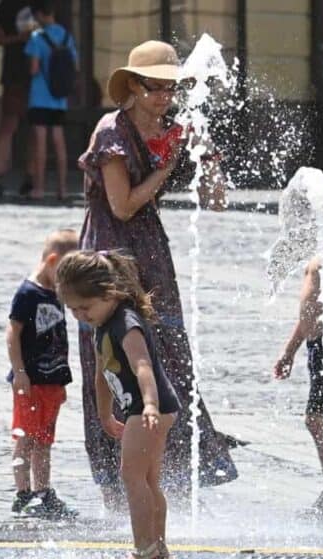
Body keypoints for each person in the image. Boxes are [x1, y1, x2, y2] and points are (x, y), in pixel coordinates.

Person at [77, 40, 236, 510]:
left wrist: (209, 163)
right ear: (132, 86)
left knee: (170, 358)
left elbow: (216, 203)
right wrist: (166, 168)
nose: (164, 96)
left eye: (171, 87)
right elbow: (122, 205)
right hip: (110, 257)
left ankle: (174, 481)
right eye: (154, 87)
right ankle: (116, 491)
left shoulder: (174, 129)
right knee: (110, 364)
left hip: (152, 255)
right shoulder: (113, 131)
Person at [57, 250, 179, 559]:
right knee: (149, 481)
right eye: (73, 310)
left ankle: (144, 553)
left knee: (132, 477)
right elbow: (101, 372)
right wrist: (104, 413)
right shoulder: (103, 322)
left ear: (109, 293)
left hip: (149, 407)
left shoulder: (126, 323)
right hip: (146, 409)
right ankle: (158, 549)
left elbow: (143, 366)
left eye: (85, 307)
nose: (81, 315)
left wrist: (150, 405)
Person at [273, 175, 323, 514]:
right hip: (317, 342)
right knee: (319, 416)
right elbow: (309, 311)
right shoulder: (318, 251)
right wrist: (290, 350)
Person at [6, 228, 78, 518]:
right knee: (27, 439)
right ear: (51, 261)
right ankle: (23, 494)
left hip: (52, 380)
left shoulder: (56, 290)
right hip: (31, 380)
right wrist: (19, 372)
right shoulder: (28, 293)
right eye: (65, 271)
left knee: (45, 441)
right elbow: (12, 335)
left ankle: (43, 492)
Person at [24, 0, 78, 201]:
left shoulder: (37, 38)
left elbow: (34, 69)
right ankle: (62, 189)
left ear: (38, 14)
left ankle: (38, 188)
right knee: (59, 143)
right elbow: (74, 65)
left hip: (39, 98)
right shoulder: (66, 36)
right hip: (59, 99)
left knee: (40, 144)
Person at [0, 0, 34, 198]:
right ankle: (33, 179)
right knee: (36, 127)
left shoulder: (6, 5)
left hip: (13, 71)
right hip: (38, 74)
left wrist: (17, 38)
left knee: (8, 126)